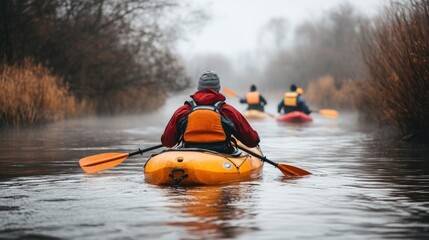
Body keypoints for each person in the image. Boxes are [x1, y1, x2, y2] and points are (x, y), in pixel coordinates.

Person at [161, 70, 260, 154]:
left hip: (188, 155)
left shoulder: (183, 111)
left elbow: (167, 142)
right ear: (218, 88)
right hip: (221, 156)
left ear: (199, 88)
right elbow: (252, 141)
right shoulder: (228, 111)